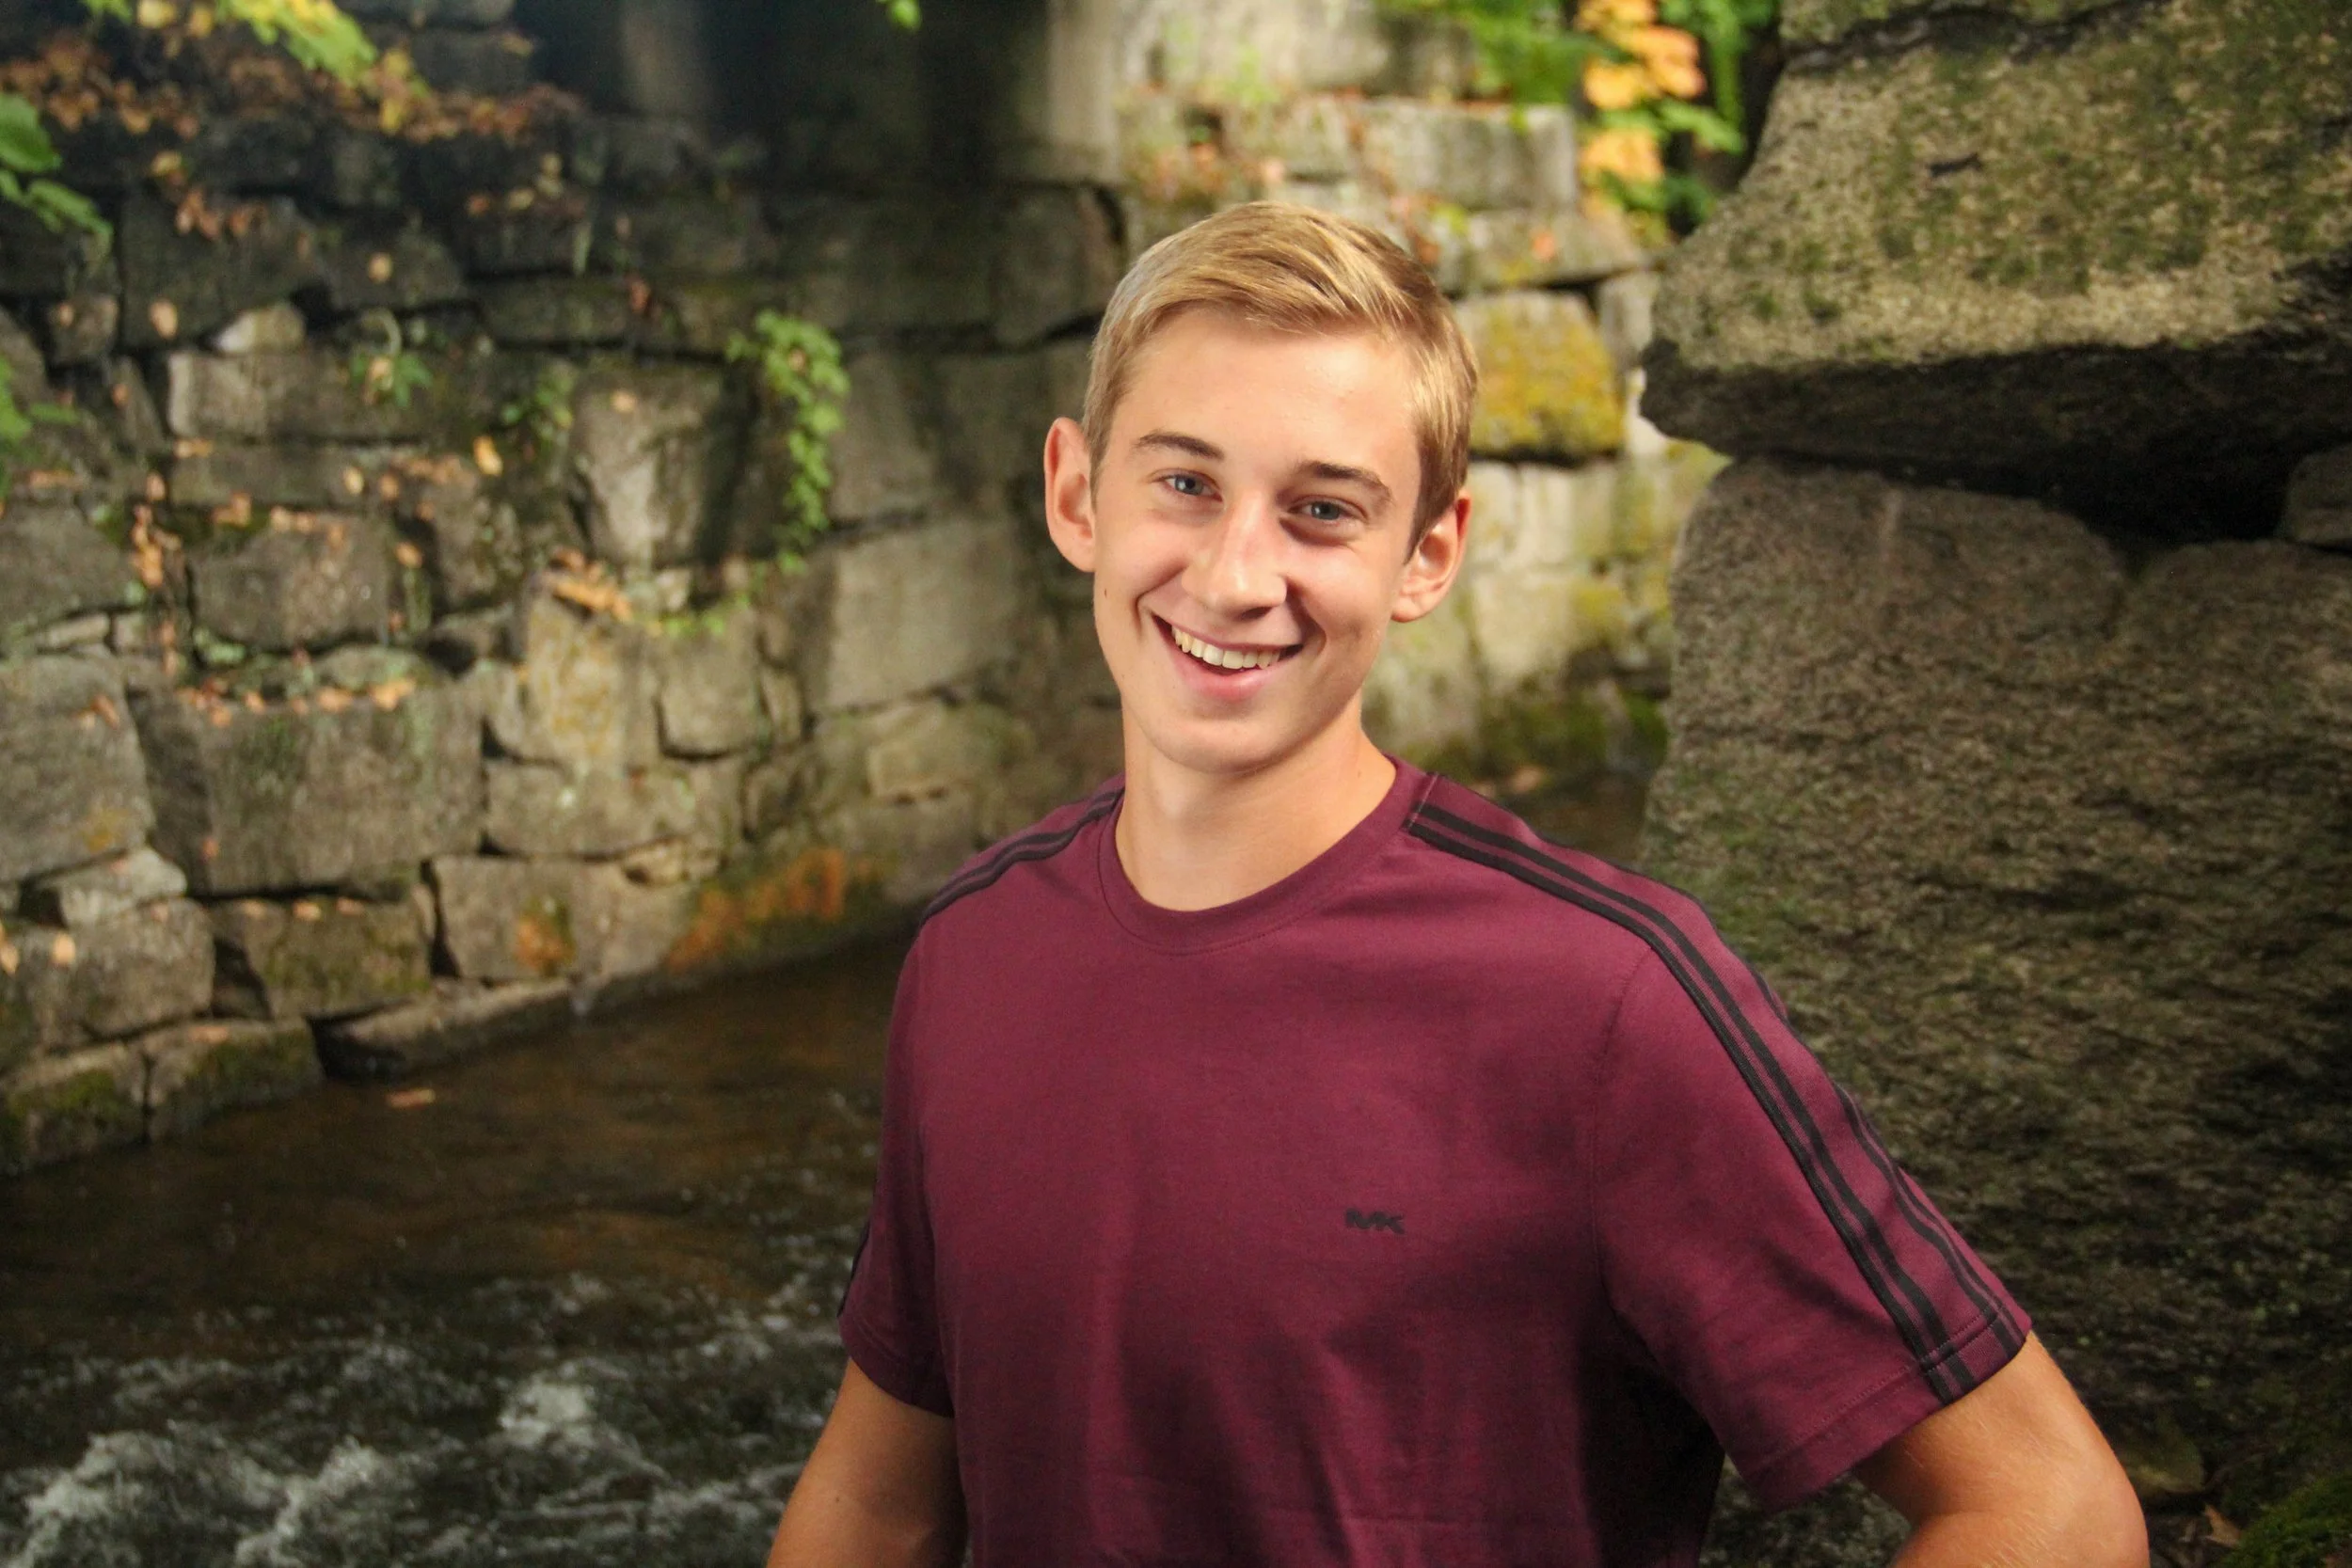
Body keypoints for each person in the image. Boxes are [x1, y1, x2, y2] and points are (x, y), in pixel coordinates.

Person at [766, 200, 2146, 1567]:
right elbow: (884, 1508)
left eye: (1322, 511)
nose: (1236, 576)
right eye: (1185, 484)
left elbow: (2054, 1508)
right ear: (1077, 494)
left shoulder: (1608, 1000)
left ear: (1427, 555)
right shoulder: (974, 955)